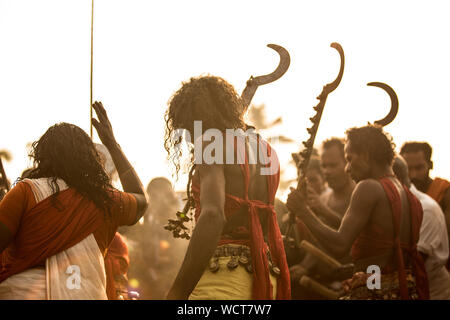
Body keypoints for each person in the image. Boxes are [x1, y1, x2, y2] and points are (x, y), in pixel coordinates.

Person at [0, 101, 147, 299]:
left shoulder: (26, 192)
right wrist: (112, 144)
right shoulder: (105, 200)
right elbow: (140, 201)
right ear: (90, 159)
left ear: (43, 157)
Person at [164, 75, 290, 300]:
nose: (191, 140)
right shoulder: (266, 149)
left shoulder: (210, 143)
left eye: (187, 128)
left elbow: (213, 215)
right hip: (264, 279)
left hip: (223, 279)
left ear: (195, 119)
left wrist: (177, 292)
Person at [287, 124, 429, 299]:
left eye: (349, 159)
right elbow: (387, 254)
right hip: (403, 290)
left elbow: (339, 245)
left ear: (366, 155)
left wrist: (302, 211)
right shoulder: (409, 196)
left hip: (375, 291)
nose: (347, 168)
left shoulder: (368, 187)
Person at [400, 142, 450, 270]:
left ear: (430, 165)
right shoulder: (399, 195)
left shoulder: (444, 191)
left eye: (419, 168)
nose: (413, 175)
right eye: (409, 169)